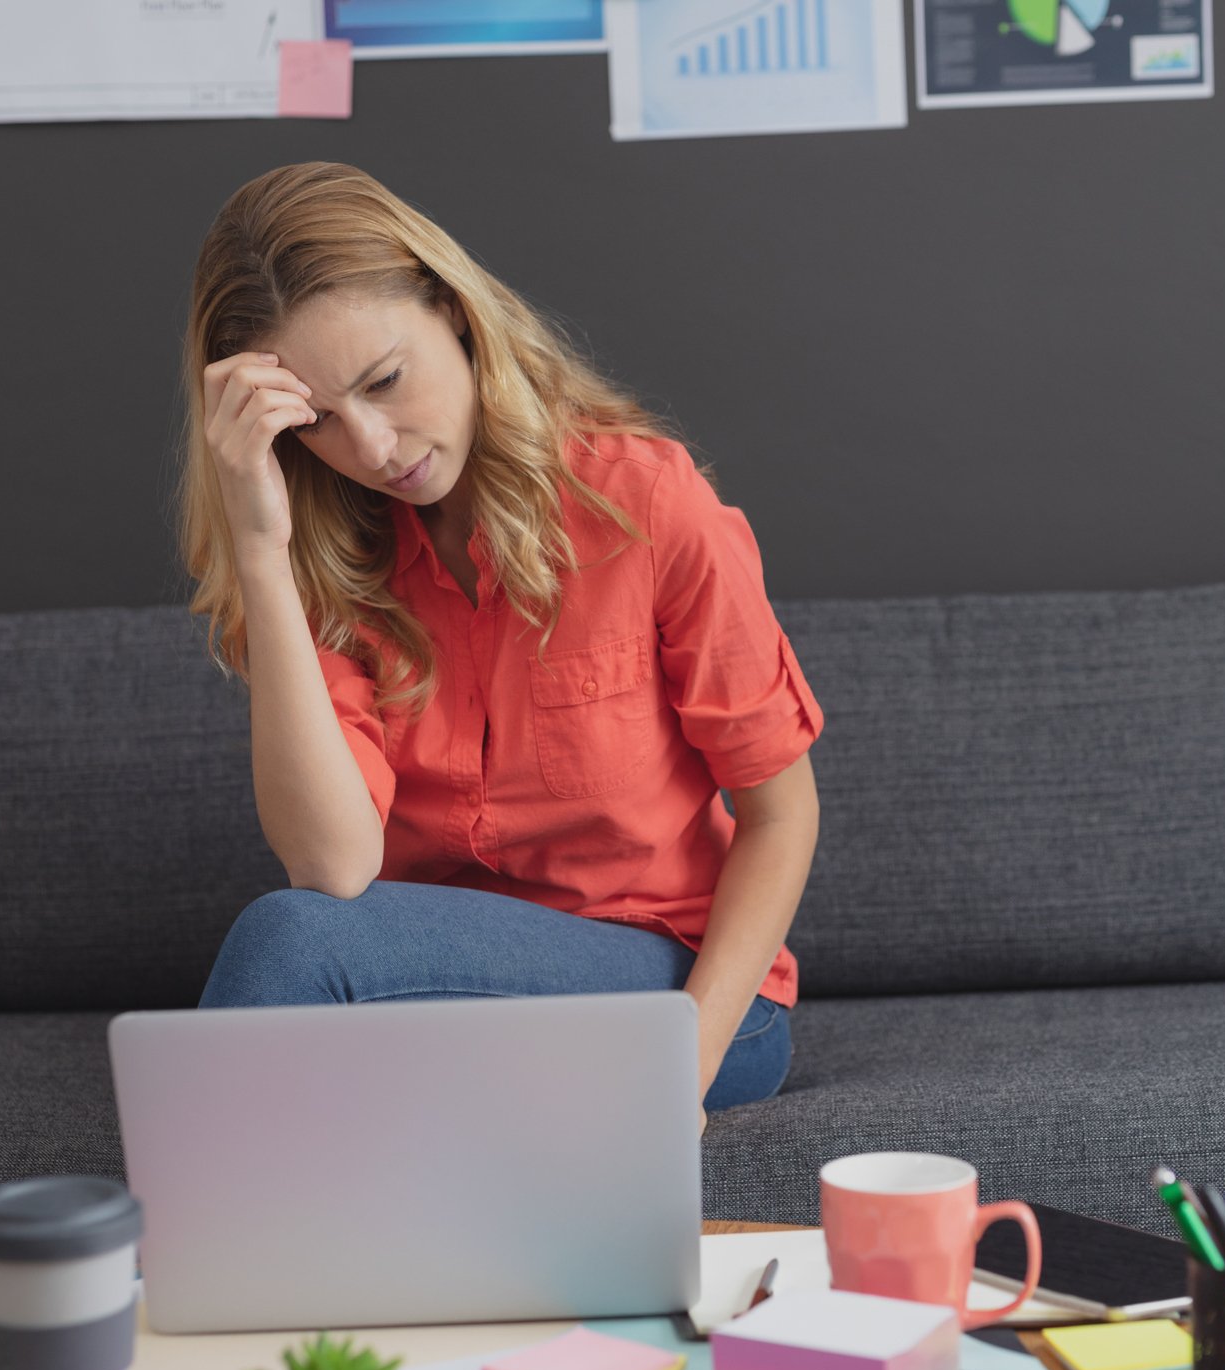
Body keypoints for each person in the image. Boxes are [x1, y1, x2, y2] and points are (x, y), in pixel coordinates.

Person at [174, 162, 824, 1132]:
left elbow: (781, 817)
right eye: (316, 420)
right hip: (428, 993)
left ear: (455, 312)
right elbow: (334, 863)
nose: (373, 444)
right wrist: (262, 555)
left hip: (681, 989)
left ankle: (173, 1273)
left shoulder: (642, 502)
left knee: (293, 948)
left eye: (385, 381)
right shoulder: (323, 563)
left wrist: (678, 1066)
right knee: (309, 954)